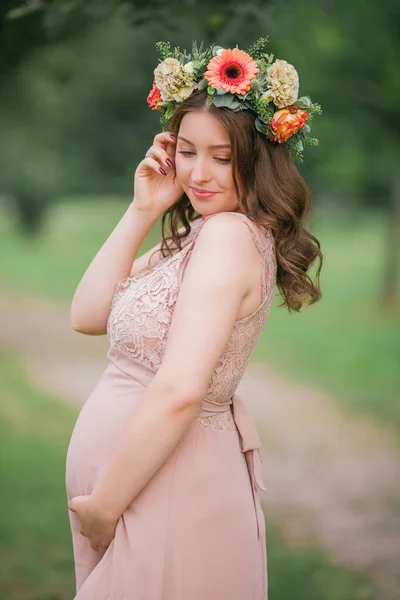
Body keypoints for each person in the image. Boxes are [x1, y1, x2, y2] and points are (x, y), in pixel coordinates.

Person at [65, 38, 323, 599]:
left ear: (257, 159)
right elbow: (86, 314)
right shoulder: (196, 237)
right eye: (186, 151)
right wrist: (142, 210)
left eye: (222, 157)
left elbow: (181, 389)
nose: (199, 173)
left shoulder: (230, 238)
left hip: (165, 490)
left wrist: (106, 506)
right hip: (137, 491)